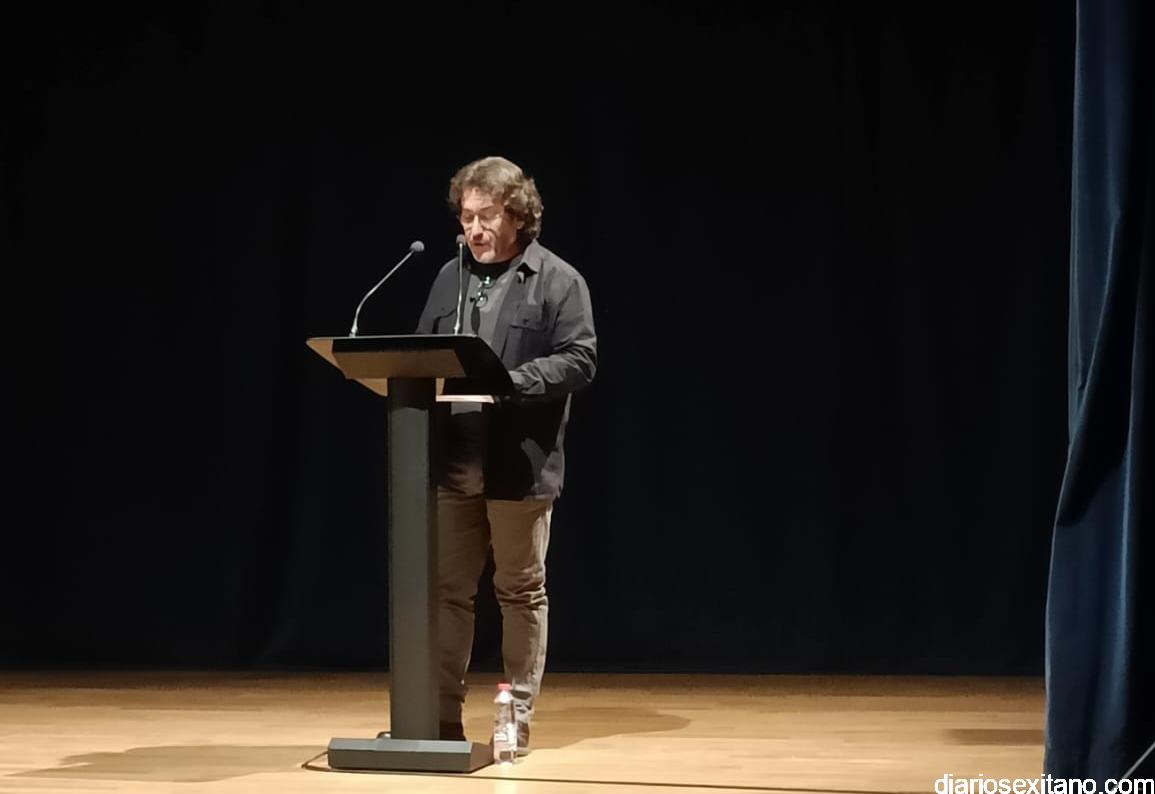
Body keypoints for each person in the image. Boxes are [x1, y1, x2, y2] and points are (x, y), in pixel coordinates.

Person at [415, 156, 597, 754]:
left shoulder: (558, 279)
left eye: (487, 215)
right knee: (447, 592)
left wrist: (511, 382)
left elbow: (580, 359)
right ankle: (439, 717)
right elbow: (421, 353)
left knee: (519, 591)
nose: (474, 228)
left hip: (519, 465)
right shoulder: (449, 277)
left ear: (517, 215)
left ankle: (513, 718)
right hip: (452, 464)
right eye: (466, 217)